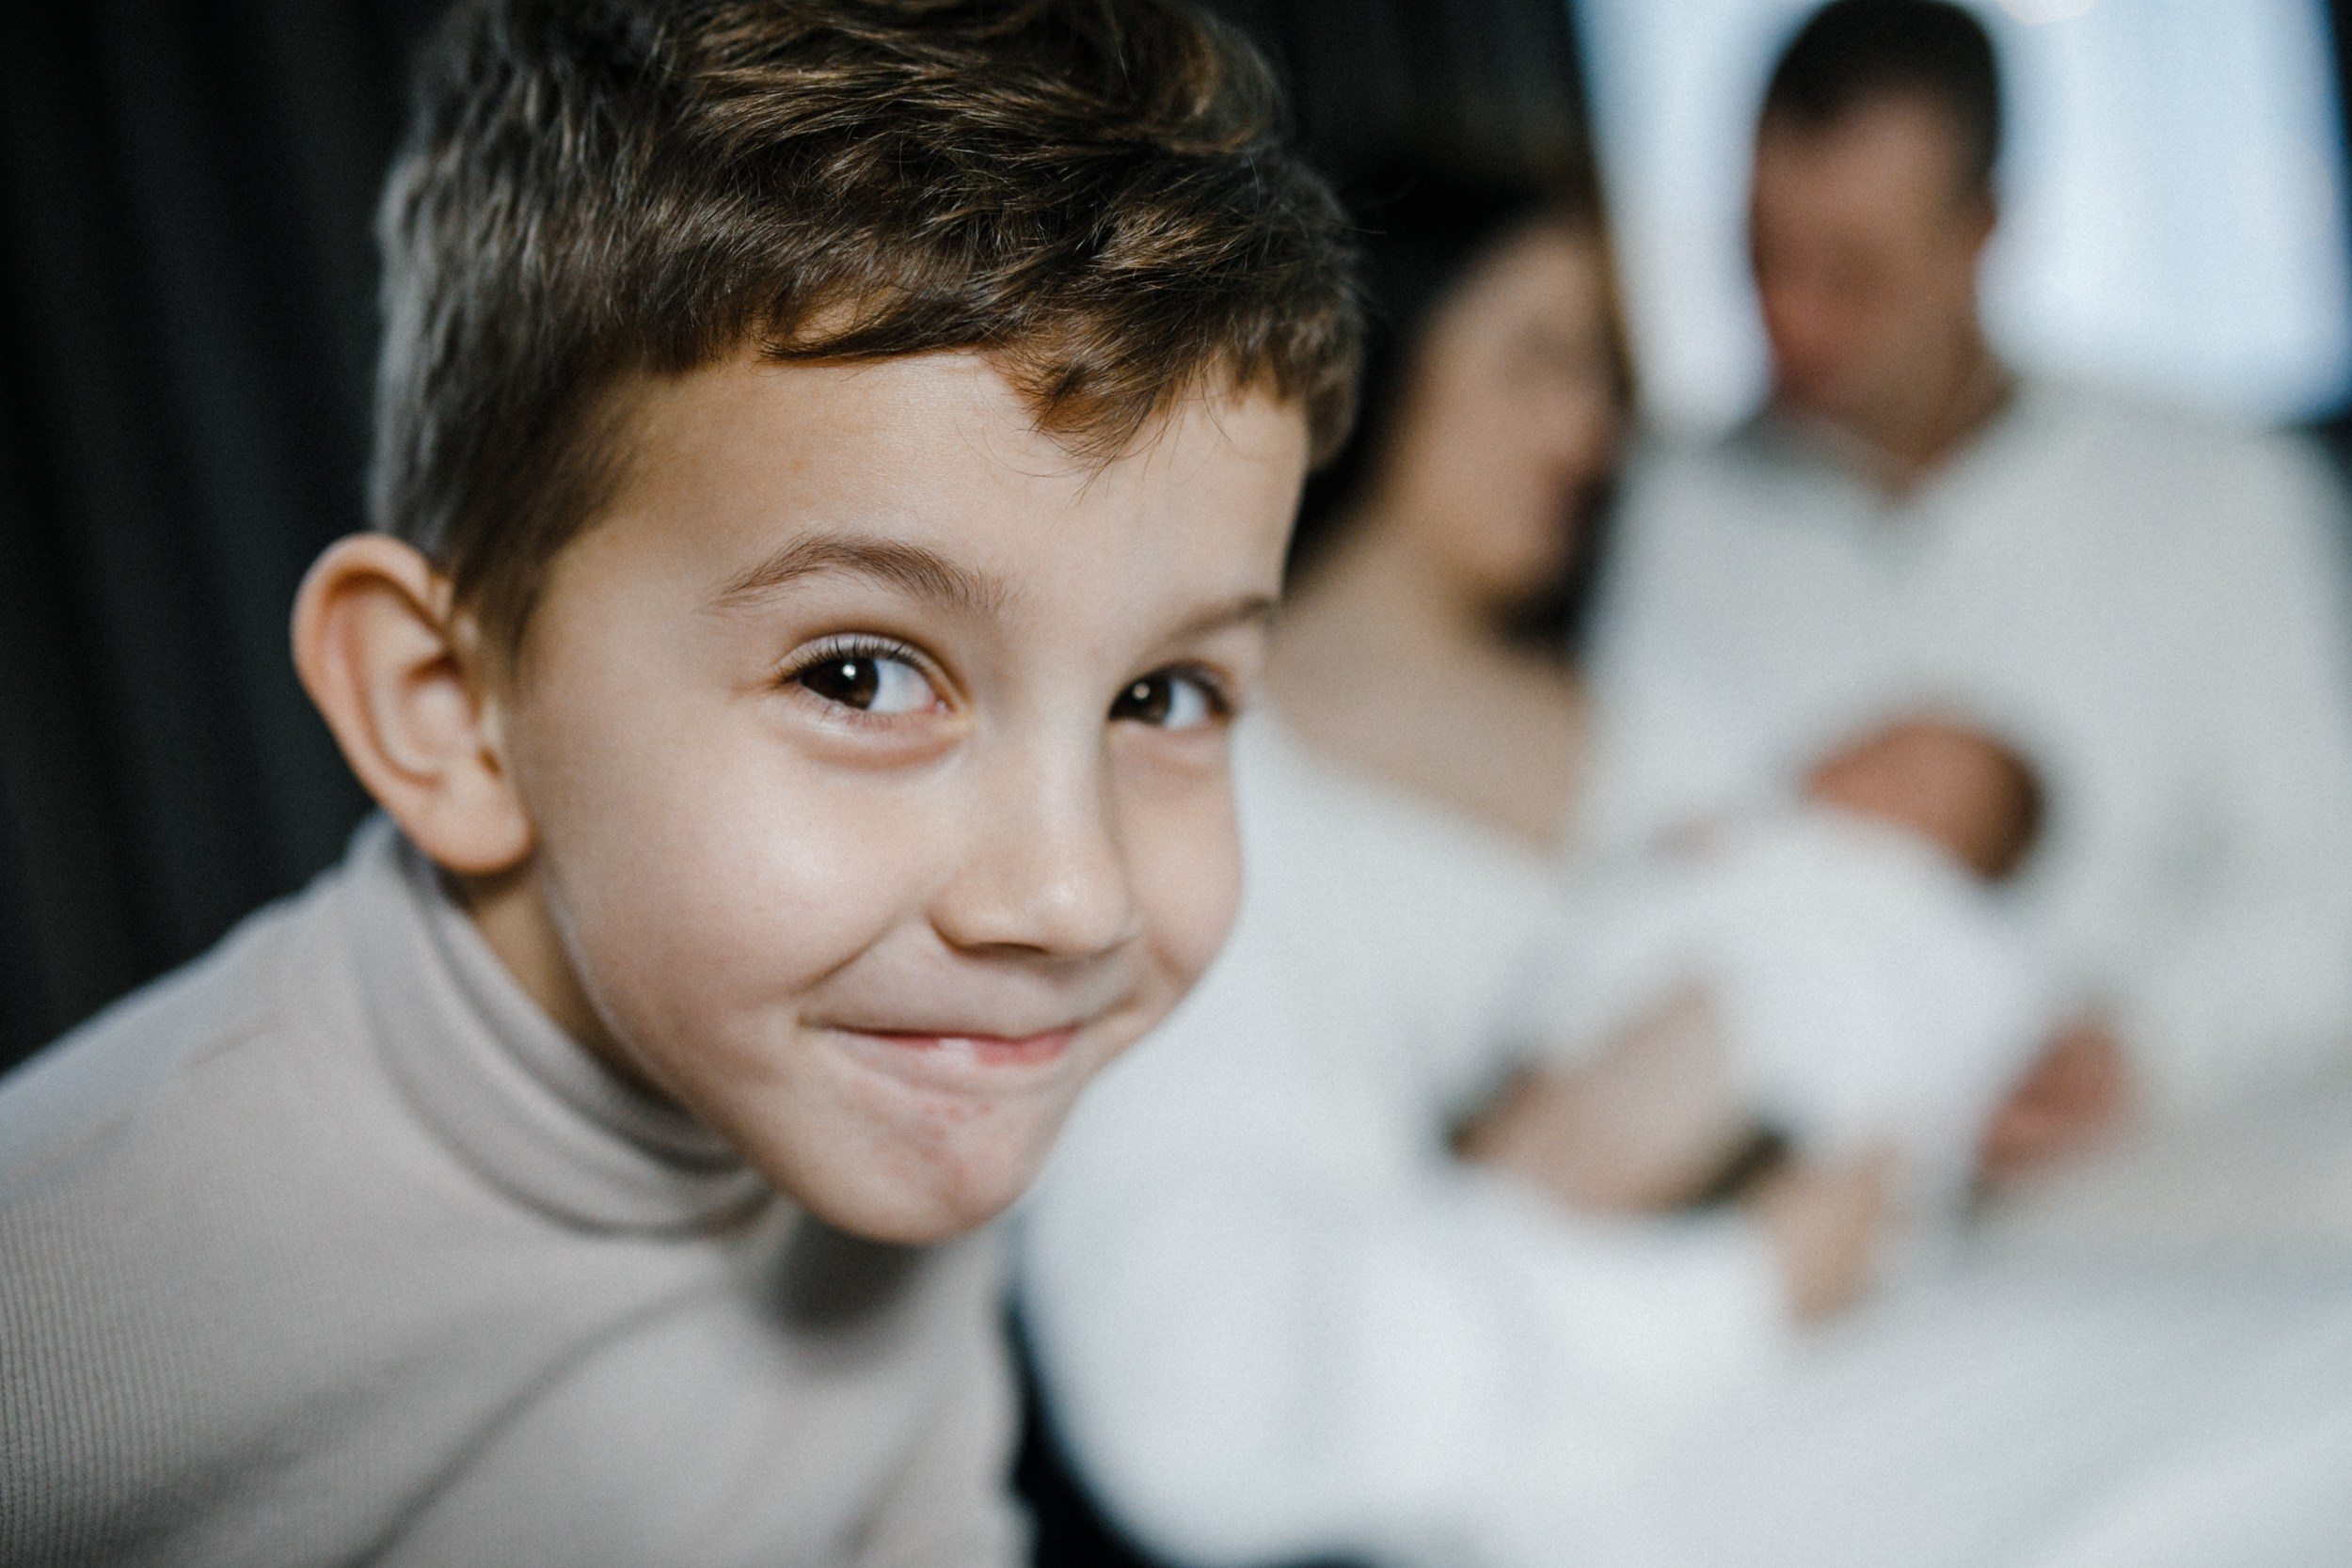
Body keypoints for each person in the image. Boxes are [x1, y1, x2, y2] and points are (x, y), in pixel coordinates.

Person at [0, 1, 1357, 1561]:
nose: (1071, 896)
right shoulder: (66, 1306)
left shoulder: (898, 1083)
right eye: (857, 673)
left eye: (1162, 695)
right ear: (451, 708)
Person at [1018, 164, 1898, 1568]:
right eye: (1540, 359)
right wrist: (1711, 1265)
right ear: (1379, 351)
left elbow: (1868, 995)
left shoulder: (1663, 729)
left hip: (1821, 1398)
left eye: (1607, 375)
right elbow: (1208, 1367)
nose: (1592, 427)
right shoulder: (1192, 773)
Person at [1579, 0, 2352, 1167]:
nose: (1791, 316)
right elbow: (1615, 857)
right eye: (1759, 257)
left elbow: (2326, 873)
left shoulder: (2223, 494)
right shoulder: (1655, 515)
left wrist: (2145, 1045)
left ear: (1983, 231)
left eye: (1852, 273)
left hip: (2173, 1156)